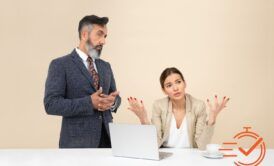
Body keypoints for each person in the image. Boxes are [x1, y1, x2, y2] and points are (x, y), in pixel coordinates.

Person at [44, 15, 121, 148]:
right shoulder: (61, 65)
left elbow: (115, 96)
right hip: (77, 144)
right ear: (84, 34)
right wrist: (89, 103)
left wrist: (113, 102)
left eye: (105, 36)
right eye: (100, 34)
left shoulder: (105, 66)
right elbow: (51, 104)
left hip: (108, 142)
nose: (103, 41)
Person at [127, 67, 229, 149]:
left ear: (185, 83)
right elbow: (155, 144)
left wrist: (211, 120)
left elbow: (201, 146)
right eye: (169, 85)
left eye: (178, 82)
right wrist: (144, 120)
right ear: (164, 90)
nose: (175, 88)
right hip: (165, 157)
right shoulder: (159, 106)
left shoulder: (198, 105)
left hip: (191, 157)